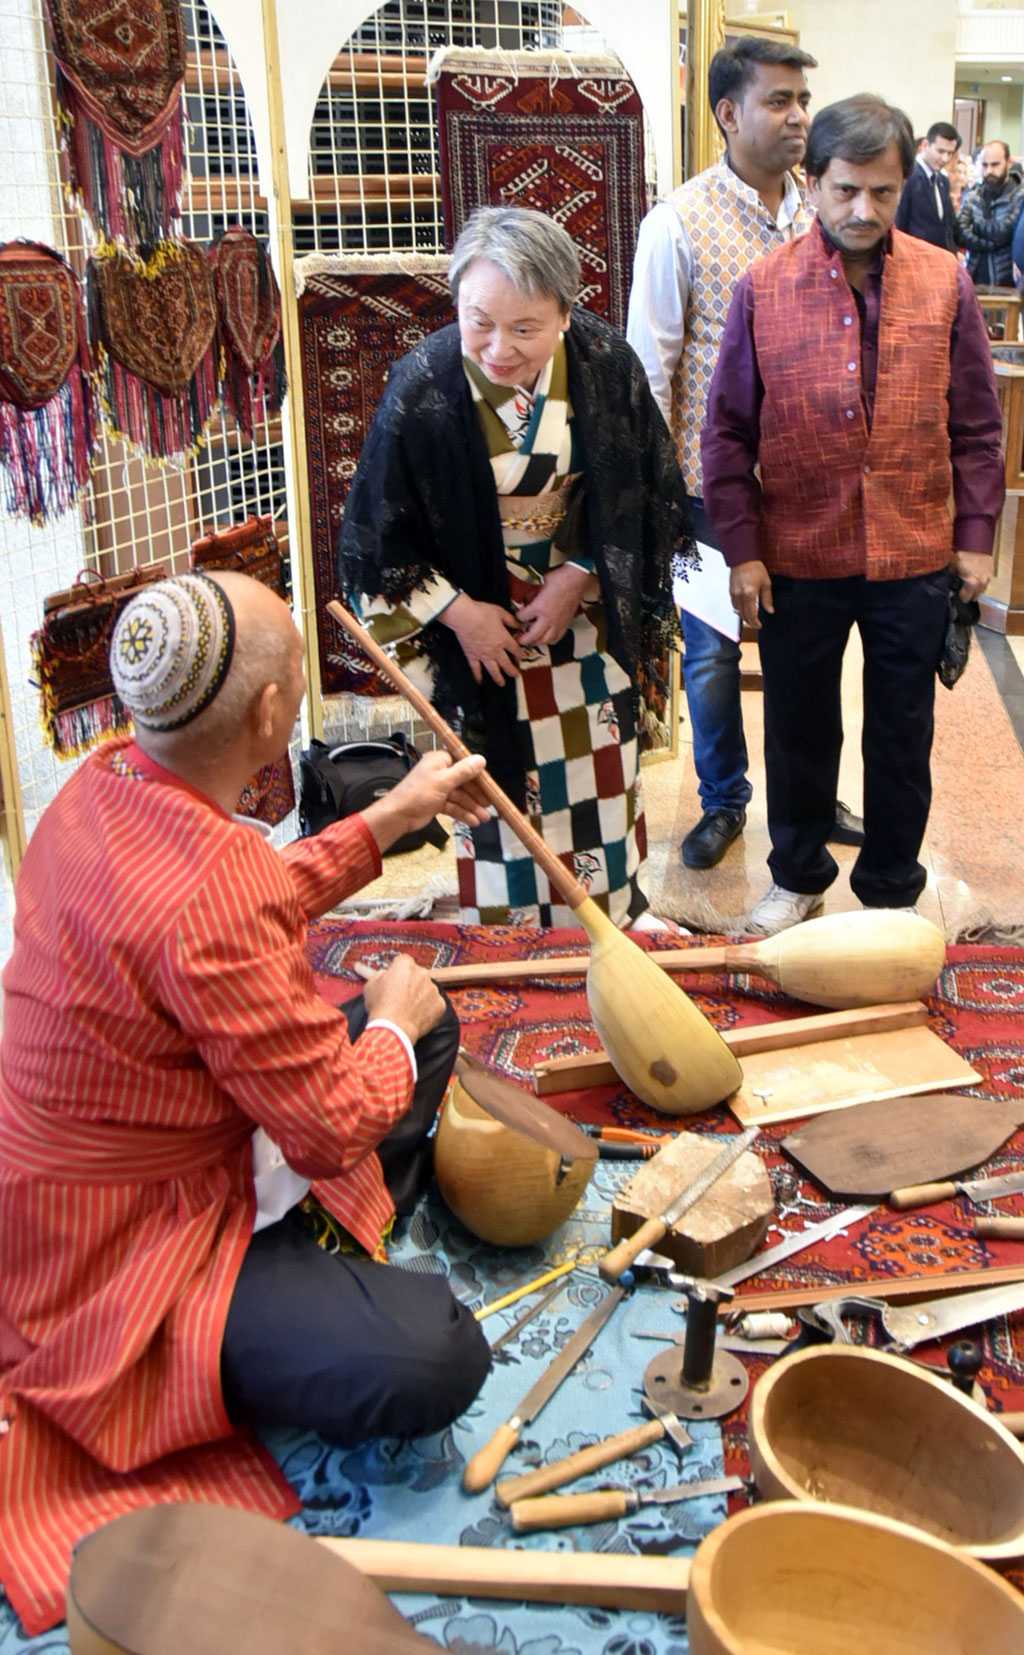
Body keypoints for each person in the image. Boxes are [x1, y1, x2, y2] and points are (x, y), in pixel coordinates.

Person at [0, 571, 493, 1633]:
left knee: (417, 1021)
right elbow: (321, 1125)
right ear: (270, 715)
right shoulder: (212, 883)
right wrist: (395, 1026)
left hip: (79, 1192)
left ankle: (306, 1279)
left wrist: (392, 815)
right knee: (437, 1351)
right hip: (129, 1256)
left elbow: (235, 900)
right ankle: (278, 1308)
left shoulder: (98, 786)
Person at [336, 205, 691, 929]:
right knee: (494, 789)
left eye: (526, 328)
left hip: (580, 617)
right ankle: (509, 948)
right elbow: (375, 539)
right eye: (479, 322)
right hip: (476, 629)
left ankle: (606, 930)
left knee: (597, 783)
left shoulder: (605, 366)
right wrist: (460, 614)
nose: (499, 349)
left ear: (566, 310)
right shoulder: (425, 383)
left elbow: (650, 496)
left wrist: (584, 572)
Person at [702, 94, 1004, 936]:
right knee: (799, 727)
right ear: (813, 183)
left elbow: (980, 425)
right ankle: (796, 876)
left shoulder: (947, 282)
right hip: (799, 550)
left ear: (905, 183)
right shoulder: (763, 288)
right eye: (844, 191)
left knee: (902, 735)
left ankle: (890, 892)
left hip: (914, 552)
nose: (863, 210)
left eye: (881, 190)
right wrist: (743, 550)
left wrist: (975, 539)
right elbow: (726, 430)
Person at [626, 37, 862, 872]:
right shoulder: (678, 223)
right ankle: (725, 801)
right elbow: (649, 372)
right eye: (779, 100)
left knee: (816, 651)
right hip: (707, 490)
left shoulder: (827, 213)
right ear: (728, 113)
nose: (799, 115)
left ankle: (813, 792)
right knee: (712, 656)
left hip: (814, 493)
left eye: (803, 99)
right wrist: (659, 496)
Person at [957, 138, 1024, 288]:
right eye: (985, 165)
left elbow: (1007, 231)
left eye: (995, 165)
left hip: (1006, 277)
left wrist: (977, 226)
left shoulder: (1020, 195)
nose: (989, 171)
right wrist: (988, 244)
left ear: (1009, 162)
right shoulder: (974, 195)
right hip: (974, 274)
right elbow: (960, 232)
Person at [893, 120, 961, 251]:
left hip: (941, 258)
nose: (945, 159)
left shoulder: (942, 180)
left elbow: (947, 225)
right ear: (925, 145)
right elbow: (899, 225)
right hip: (914, 257)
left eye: (950, 153)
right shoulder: (907, 176)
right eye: (940, 151)